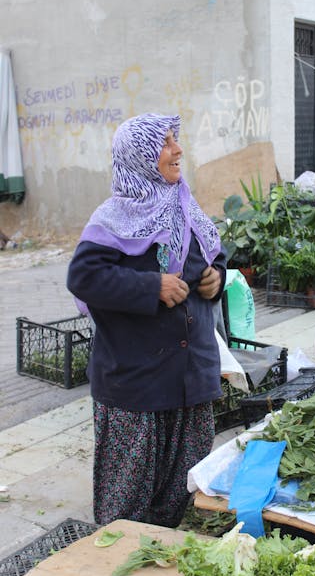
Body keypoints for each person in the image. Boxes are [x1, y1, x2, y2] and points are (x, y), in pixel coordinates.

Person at [67, 112, 227, 528]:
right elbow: (84, 278)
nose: (178, 150)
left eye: (176, 141)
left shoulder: (185, 208)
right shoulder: (114, 218)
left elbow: (212, 258)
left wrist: (216, 280)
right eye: (166, 142)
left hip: (191, 382)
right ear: (139, 157)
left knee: (181, 499)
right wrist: (150, 287)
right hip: (136, 388)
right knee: (127, 513)